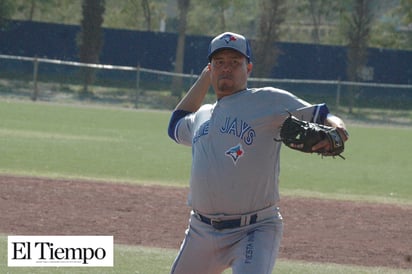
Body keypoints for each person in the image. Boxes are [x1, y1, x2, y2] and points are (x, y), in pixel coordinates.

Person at [167, 32, 349, 274]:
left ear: (248, 68)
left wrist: (338, 128)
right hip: (201, 231)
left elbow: (321, 114)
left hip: (254, 229)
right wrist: (205, 77)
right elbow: (175, 124)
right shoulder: (202, 115)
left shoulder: (267, 100)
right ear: (210, 68)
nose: (226, 69)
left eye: (234, 62)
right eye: (219, 62)